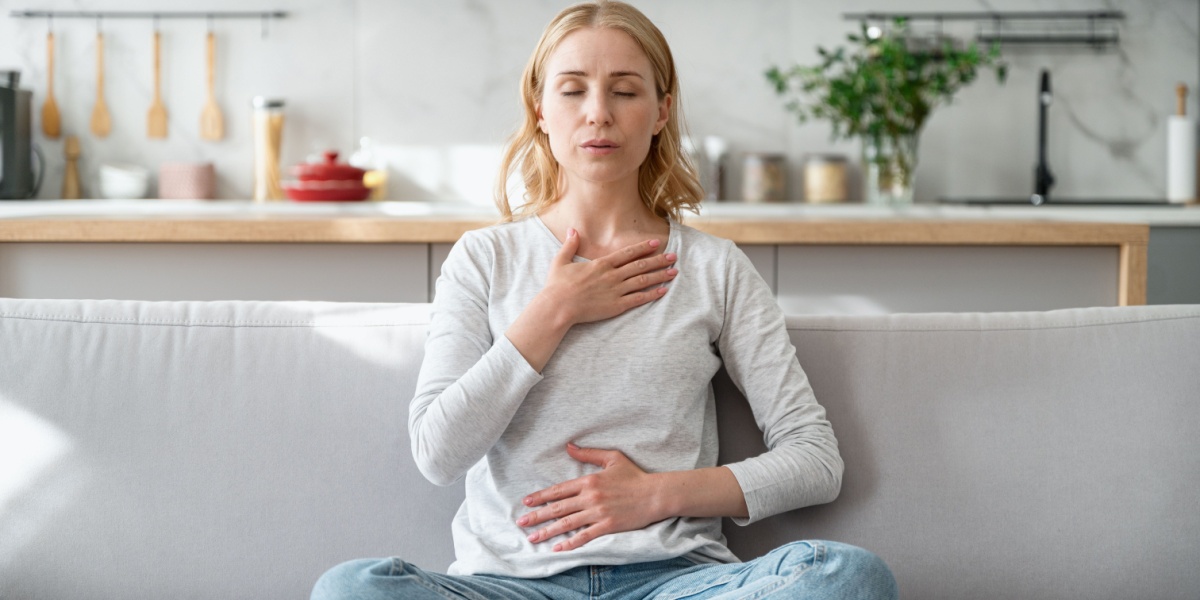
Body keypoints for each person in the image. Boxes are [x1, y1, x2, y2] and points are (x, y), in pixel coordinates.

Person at [313, 1, 897, 598]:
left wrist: (656, 494)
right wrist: (553, 311)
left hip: (676, 582)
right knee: (350, 589)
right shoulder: (483, 259)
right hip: (510, 585)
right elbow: (437, 454)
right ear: (540, 110)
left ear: (661, 111)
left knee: (849, 576)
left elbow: (815, 460)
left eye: (624, 91)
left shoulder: (715, 268)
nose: (598, 113)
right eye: (573, 91)